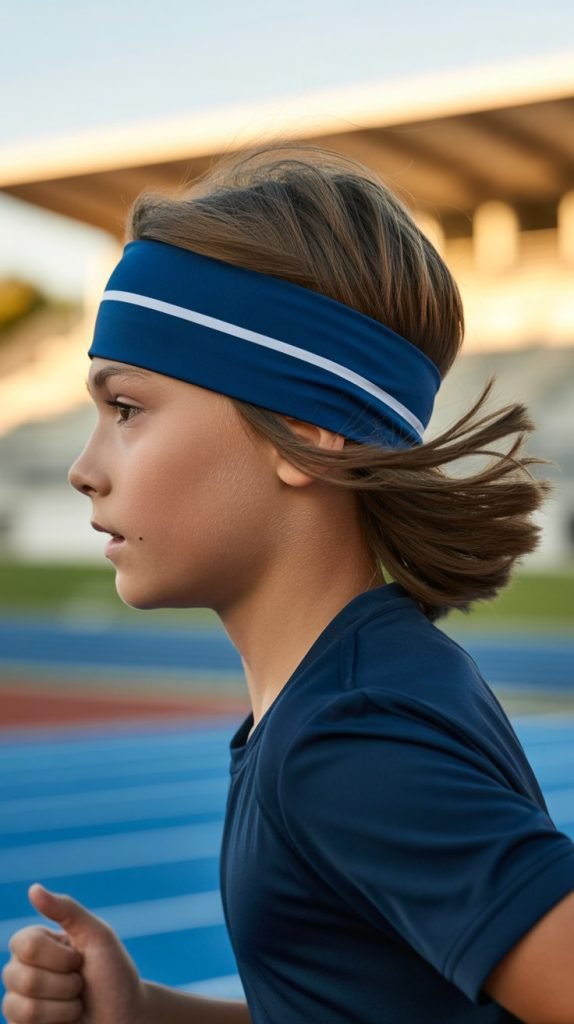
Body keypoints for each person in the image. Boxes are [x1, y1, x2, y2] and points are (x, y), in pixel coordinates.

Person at [2, 144, 574, 1024]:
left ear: (305, 426)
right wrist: (149, 1013)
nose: (84, 468)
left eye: (126, 408)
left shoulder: (345, 741)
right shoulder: (351, 689)